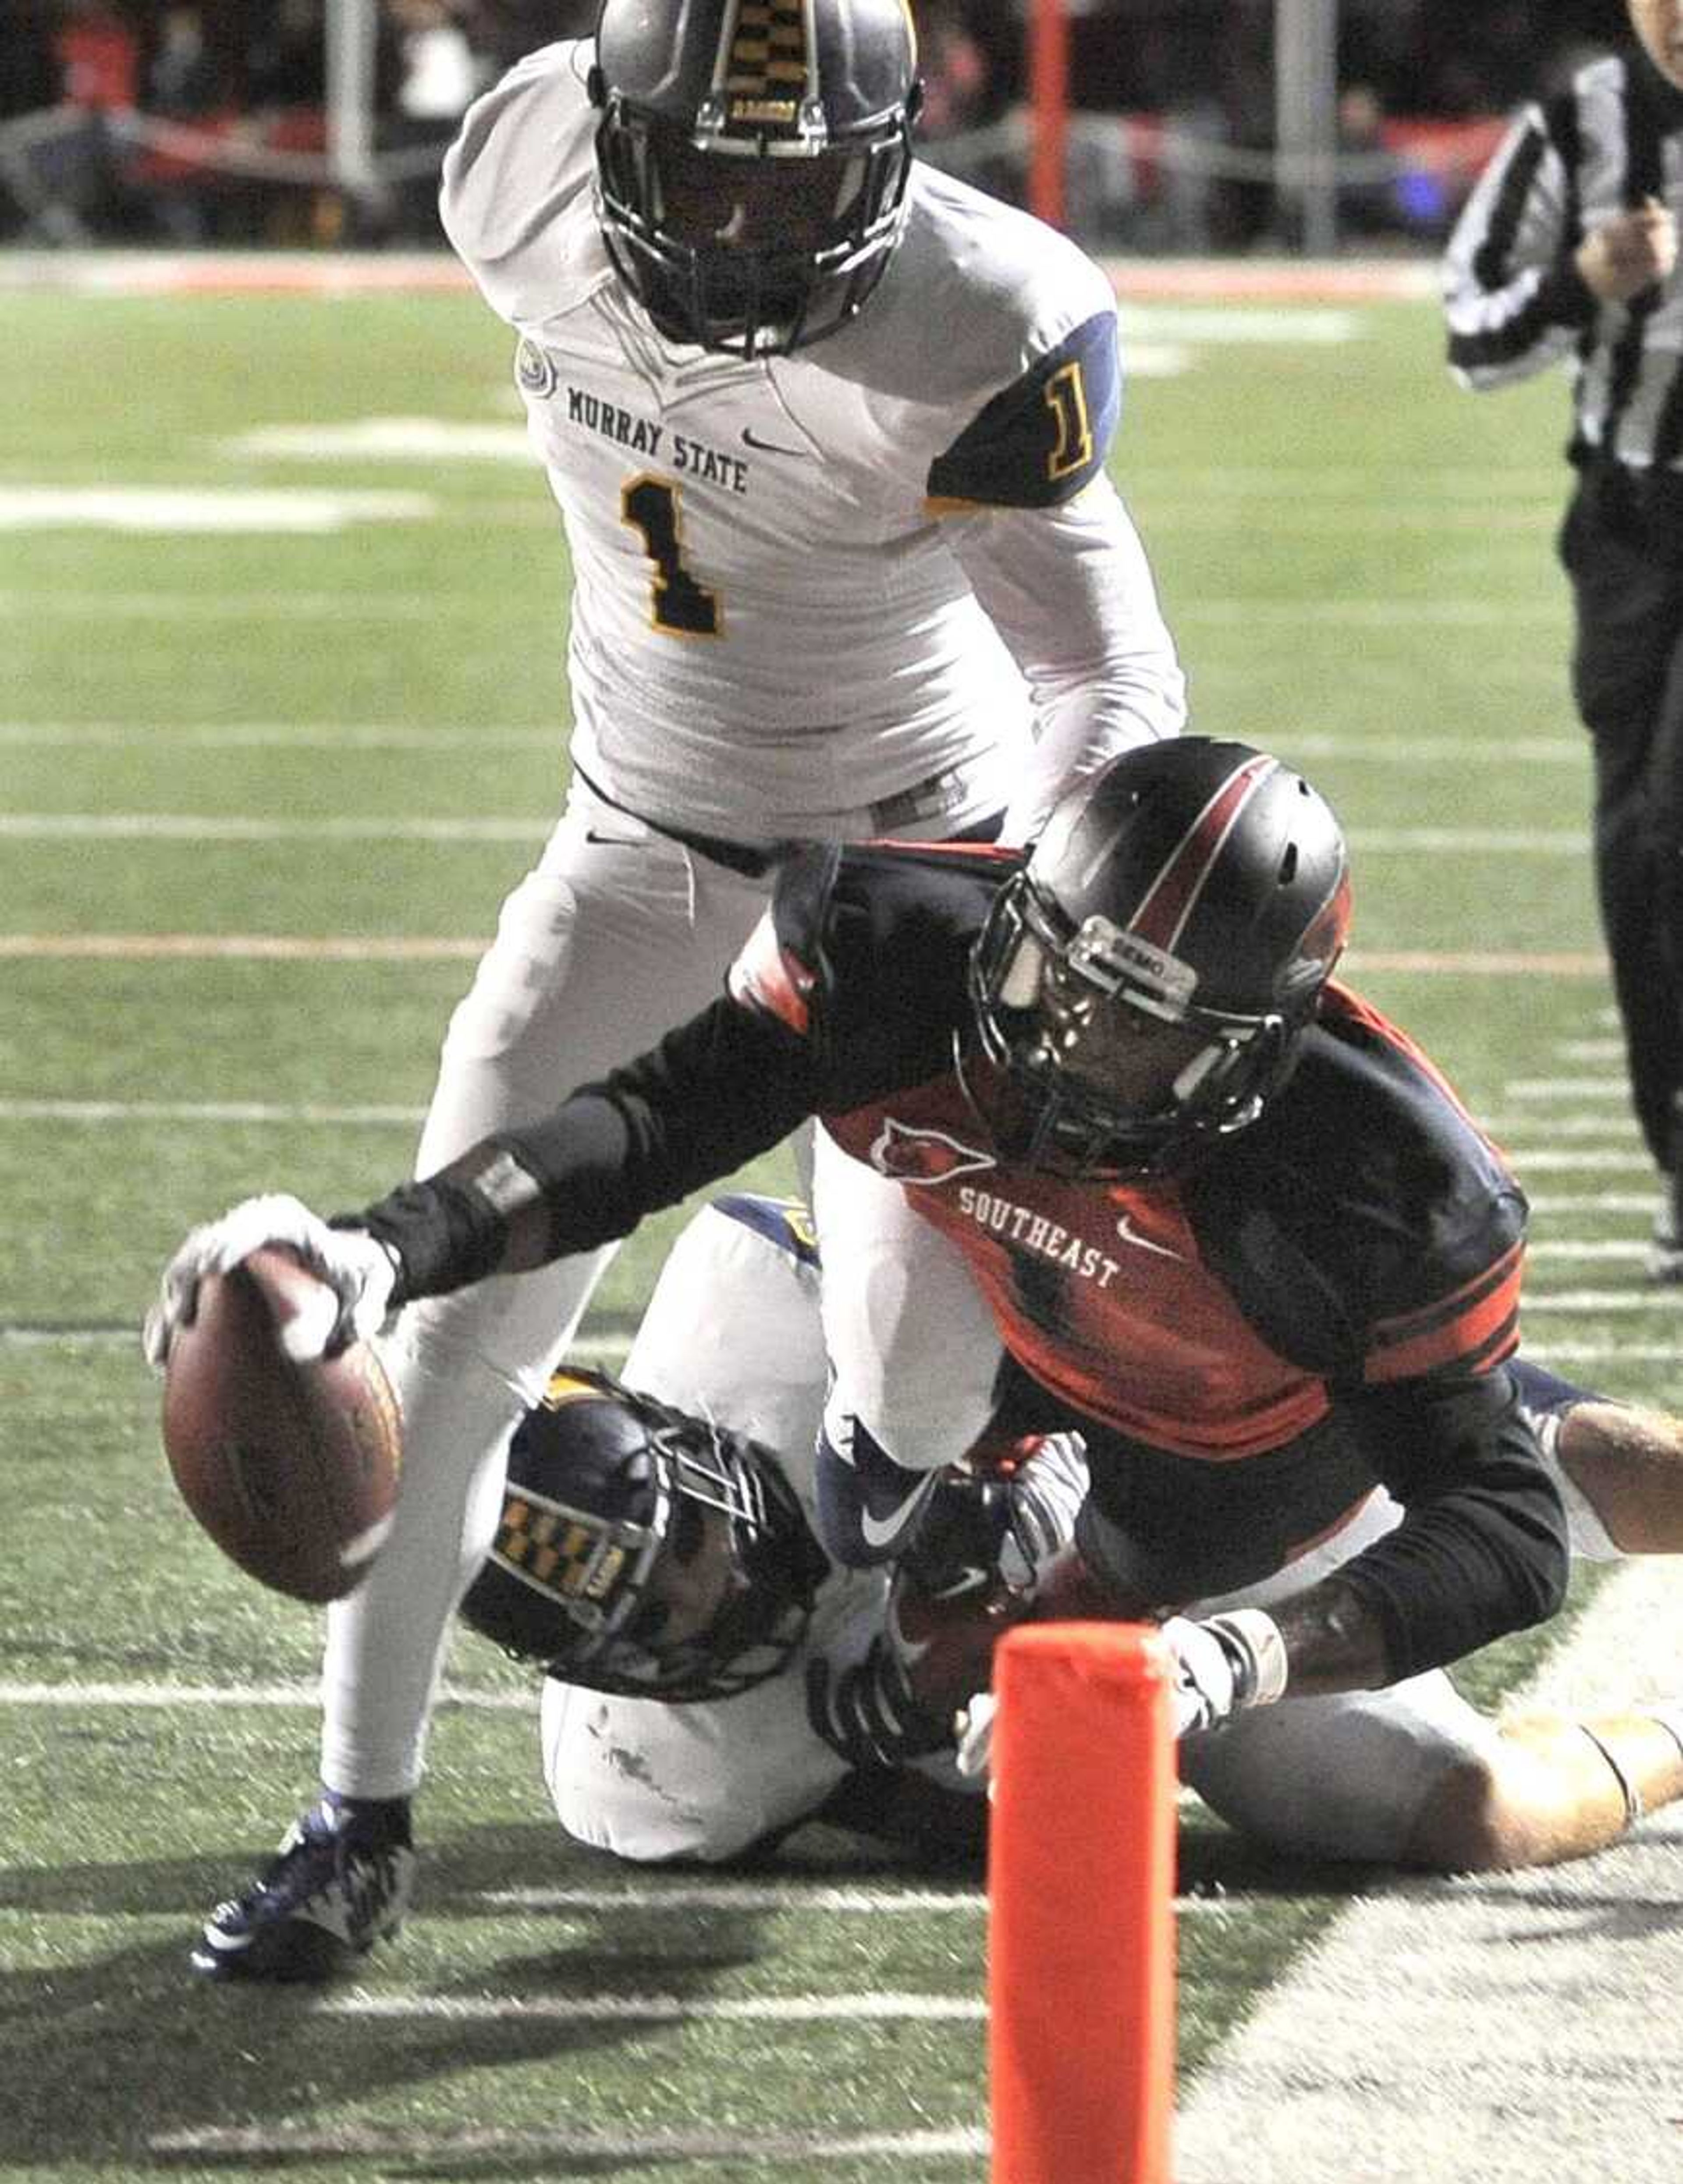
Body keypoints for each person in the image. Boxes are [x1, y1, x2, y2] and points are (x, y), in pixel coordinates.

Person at [163, 0, 1185, 1980]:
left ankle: (905, 1605)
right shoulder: (514, 164)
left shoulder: (989, 311)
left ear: (890, 162)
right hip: (642, 845)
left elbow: (1114, 686)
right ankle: (355, 1822)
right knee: (452, 1338)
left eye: (788, 181)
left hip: (911, 877)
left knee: (919, 1381)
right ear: (610, 142)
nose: (738, 226)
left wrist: (1007, 934)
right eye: (700, 172)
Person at [151, 735, 1672, 1964]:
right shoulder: (898, 947)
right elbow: (661, 1118)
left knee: (1462, 1786)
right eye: (1060, 983)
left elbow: (1506, 1542)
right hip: (985, 1347)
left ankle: (1646, 1702)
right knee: (699, 1578)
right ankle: (951, 1536)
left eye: (1142, 1033)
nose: (1075, 1046)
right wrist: (385, 1247)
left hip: (1232, 1474)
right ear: (1015, 913)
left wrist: (1230, 1654)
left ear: (1258, 1048)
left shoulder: (1385, 1186)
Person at [199, 1189, 1683, 1978]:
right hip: (1112, 1657)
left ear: (685, 1433)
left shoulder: (763, 1307)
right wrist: (928, 1713)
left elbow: (1055, 1273)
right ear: (599, 1677)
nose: (718, 1606)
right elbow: (924, 1812)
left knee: (1545, 1461)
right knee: (1463, 1812)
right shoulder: (653, 1783)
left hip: (1158, 1436)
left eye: (695, 1550)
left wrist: (1033, 1458)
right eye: (663, 1629)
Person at [1442, 0, 1683, 1282]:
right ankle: (1677, 1154)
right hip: (1635, 528)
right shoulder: (1581, 125)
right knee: (1640, 850)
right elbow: (1469, 331)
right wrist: (1583, 283)